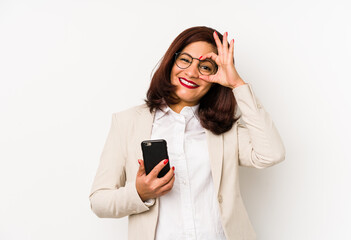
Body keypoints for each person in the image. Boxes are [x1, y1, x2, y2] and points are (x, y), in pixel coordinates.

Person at [89, 26, 285, 240]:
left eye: (206, 67)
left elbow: (271, 154)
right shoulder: (127, 123)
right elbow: (99, 201)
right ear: (171, 62)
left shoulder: (224, 128)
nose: (192, 72)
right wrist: (140, 193)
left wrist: (237, 84)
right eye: (185, 60)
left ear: (215, 76)